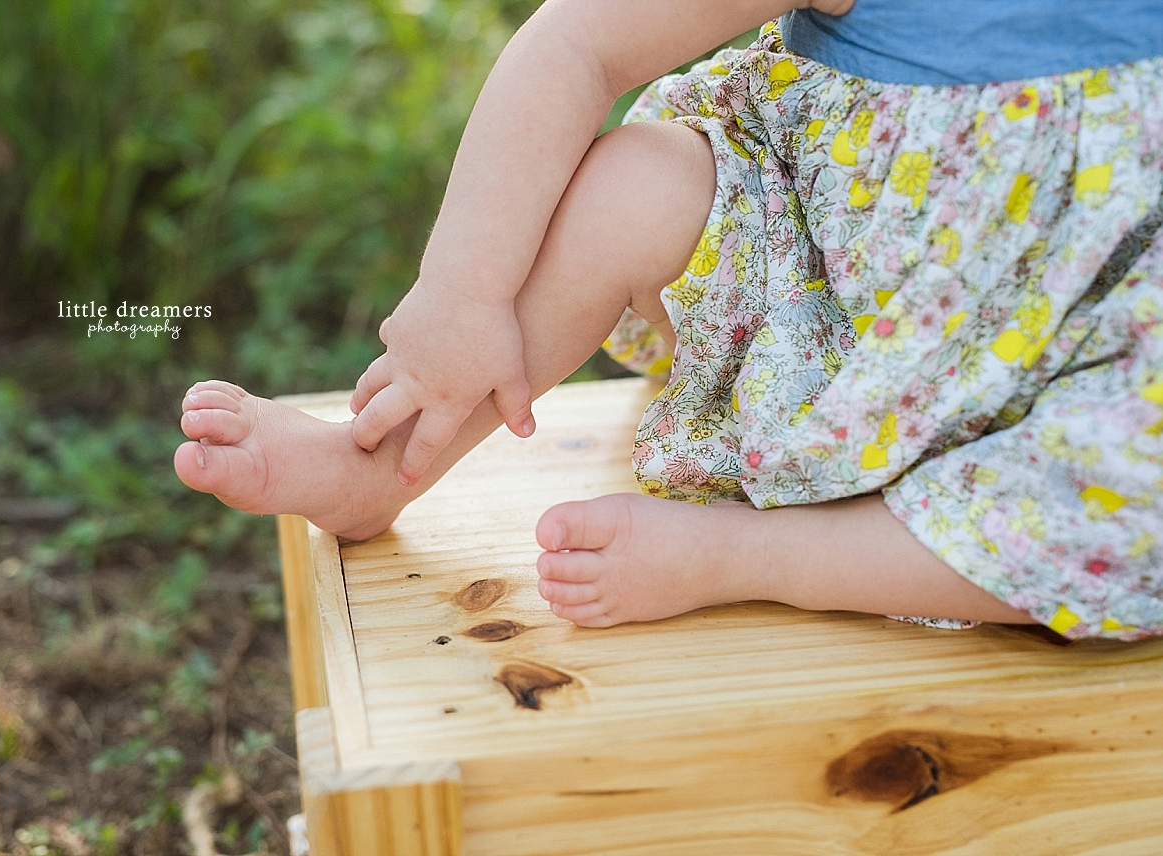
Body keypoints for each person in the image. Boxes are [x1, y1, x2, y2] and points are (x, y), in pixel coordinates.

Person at [174, 0, 1163, 640]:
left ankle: (752, 557)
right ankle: (379, 463)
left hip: (1089, 355)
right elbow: (577, 43)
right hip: (826, 305)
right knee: (636, 182)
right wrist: (461, 291)